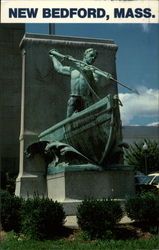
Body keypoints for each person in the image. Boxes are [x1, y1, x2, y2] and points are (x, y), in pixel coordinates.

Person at [49, 48, 112, 117]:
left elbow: (94, 88)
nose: (93, 58)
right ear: (85, 55)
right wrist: (53, 57)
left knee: (89, 120)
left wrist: (89, 73)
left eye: (95, 57)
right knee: (69, 121)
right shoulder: (73, 69)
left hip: (86, 100)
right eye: (91, 55)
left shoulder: (95, 72)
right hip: (73, 99)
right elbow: (59, 69)